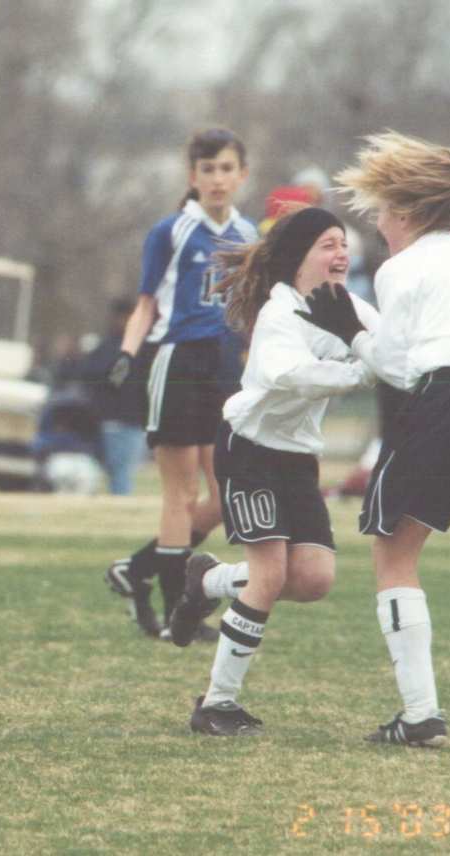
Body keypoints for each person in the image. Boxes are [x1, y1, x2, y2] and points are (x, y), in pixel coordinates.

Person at [297, 132, 450, 748]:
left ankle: (420, 714)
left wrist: (350, 331)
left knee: (395, 553)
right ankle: (419, 714)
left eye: (381, 210)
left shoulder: (402, 268)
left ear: (405, 211)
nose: (378, 224)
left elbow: (400, 370)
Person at [160, 206, 380, 735]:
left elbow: (391, 347)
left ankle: (207, 579)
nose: (341, 254)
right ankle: (216, 705)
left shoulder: (349, 307)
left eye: (343, 243)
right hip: (250, 451)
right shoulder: (280, 313)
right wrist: (360, 370)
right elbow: (290, 374)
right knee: (269, 576)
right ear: (298, 257)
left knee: (313, 579)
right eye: (328, 244)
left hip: (298, 458)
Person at [102, 128, 259, 639]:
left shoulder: (248, 233)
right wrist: (127, 354)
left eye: (226, 168)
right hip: (178, 361)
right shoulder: (171, 231)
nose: (217, 179)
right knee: (181, 492)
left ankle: (138, 569)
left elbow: (252, 311)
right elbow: (146, 303)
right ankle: (177, 610)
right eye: (208, 169)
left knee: (227, 494)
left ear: (242, 175)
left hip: (226, 366)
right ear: (193, 176)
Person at [81, 297, 148, 495]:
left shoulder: (110, 346)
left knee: (120, 472)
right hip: (120, 421)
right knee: (121, 474)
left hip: (123, 420)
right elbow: (115, 379)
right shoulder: (122, 348)